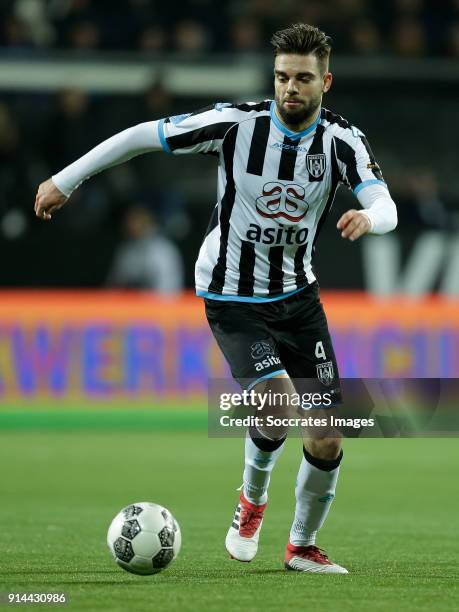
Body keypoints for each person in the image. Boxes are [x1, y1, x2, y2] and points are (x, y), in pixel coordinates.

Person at [34, 23, 397, 573]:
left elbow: (385, 203)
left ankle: (301, 546)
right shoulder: (236, 126)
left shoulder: (342, 140)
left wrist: (369, 216)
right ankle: (251, 502)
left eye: (303, 78)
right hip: (230, 294)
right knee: (276, 403)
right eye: (281, 77)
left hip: (298, 297)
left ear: (327, 81)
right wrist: (67, 178)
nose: (290, 89)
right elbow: (142, 135)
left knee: (327, 433)